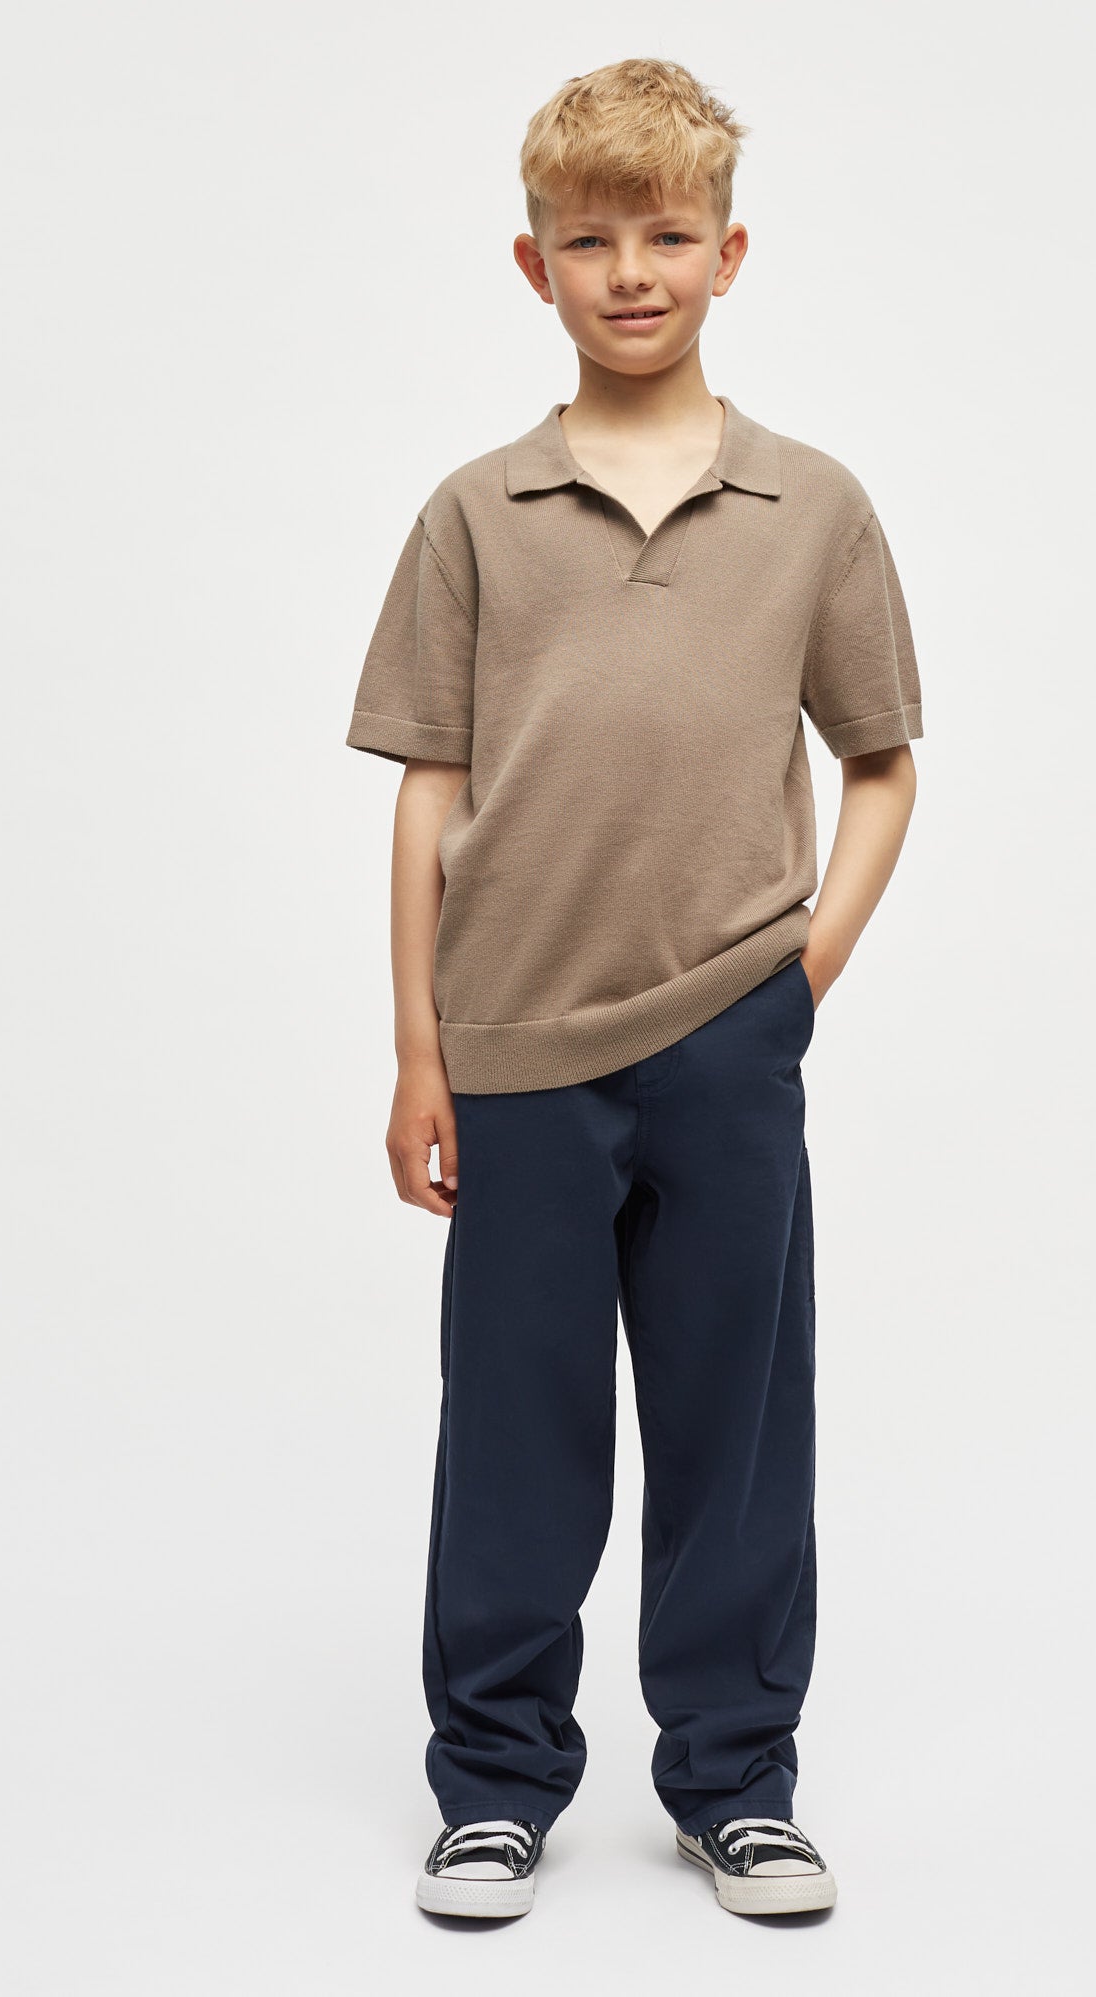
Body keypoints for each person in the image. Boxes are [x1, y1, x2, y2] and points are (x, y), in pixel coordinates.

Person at [344, 56, 924, 1920]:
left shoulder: (813, 507)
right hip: (515, 1044)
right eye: (591, 242)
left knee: (737, 1418)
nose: (632, 272)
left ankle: (737, 1779)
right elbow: (431, 789)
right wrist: (419, 1050)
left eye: (668, 235)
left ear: (729, 253)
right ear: (536, 267)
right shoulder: (477, 511)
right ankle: (494, 1783)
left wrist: (801, 975)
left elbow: (884, 764)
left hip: (731, 1037)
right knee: (515, 1423)